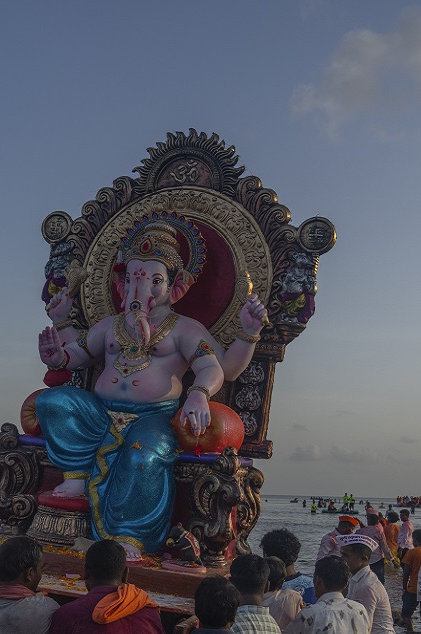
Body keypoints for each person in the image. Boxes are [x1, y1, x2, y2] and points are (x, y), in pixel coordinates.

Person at [33, 214, 269, 559]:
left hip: (151, 418)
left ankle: (131, 535)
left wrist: (200, 392)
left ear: (176, 287)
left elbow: (217, 368)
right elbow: (80, 355)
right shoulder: (110, 325)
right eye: (132, 280)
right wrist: (57, 357)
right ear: (122, 283)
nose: (140, 290)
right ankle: (77, 474)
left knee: (144, 454)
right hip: (100, 412)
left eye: (154, 281)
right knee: (54, 402)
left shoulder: (185, 329)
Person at [399, 529, 421, 631]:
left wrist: (404, 588)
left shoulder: (412, 552)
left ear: (414, 540)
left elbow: (406, 572)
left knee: (406, 614)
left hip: (414, 588)